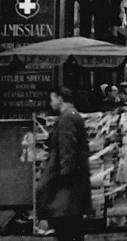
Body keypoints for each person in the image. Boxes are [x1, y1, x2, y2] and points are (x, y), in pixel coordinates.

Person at [36, 87, 91, 241]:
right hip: (71, 184)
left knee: (65, 223)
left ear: (61, 98)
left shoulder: (68, 117)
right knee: (72, 225)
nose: (50, 103)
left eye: (52, 99)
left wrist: (63, 177)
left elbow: (68, 149)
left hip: (66, 184)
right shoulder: (71, 115)